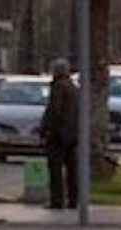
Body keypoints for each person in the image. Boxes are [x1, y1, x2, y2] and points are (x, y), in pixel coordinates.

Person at [40, 59, 81, 211]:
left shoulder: (58, 88)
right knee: (72, 169)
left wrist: (46, 128)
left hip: (58, 134)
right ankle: (73, 200)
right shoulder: (74, 88)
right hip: (73, 134)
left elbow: (54, 111)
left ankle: (57, 200)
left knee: (55, 169)